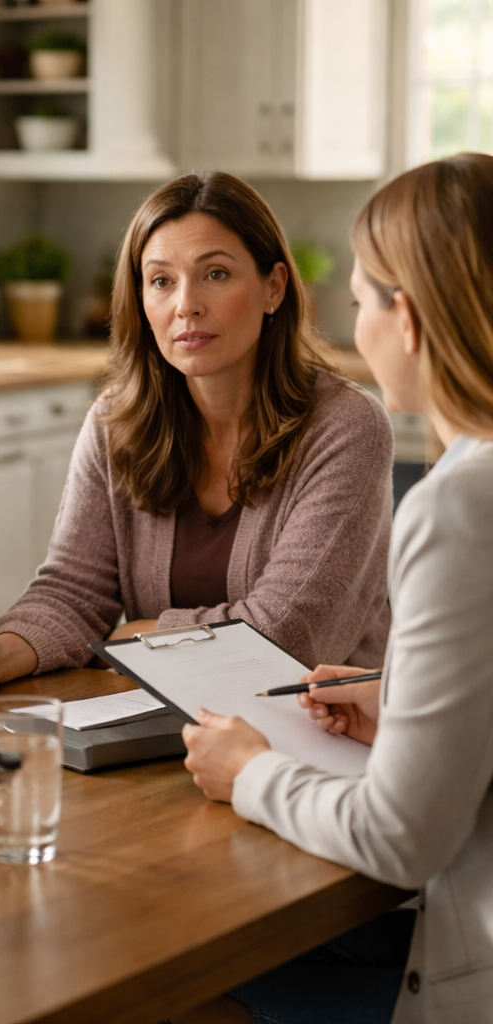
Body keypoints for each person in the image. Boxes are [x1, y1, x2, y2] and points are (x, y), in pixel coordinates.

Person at [179, 152, 493, 1024]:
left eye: (361, 302)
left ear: (413, 319)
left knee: (187, 990)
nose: (358, 332)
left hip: (466, 964)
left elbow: (399, 840)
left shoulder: (462, 505)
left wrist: (250, 770)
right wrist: (398, 700)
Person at [0, 172, 392, 696]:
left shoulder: (345, 427)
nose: (185, 304)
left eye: (215, 274)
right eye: (161, 280)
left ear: (274, 287)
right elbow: (73, 593)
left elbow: (283, 637)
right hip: (169, 729)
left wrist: (136, 636)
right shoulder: (115, 423)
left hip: (323, 741)